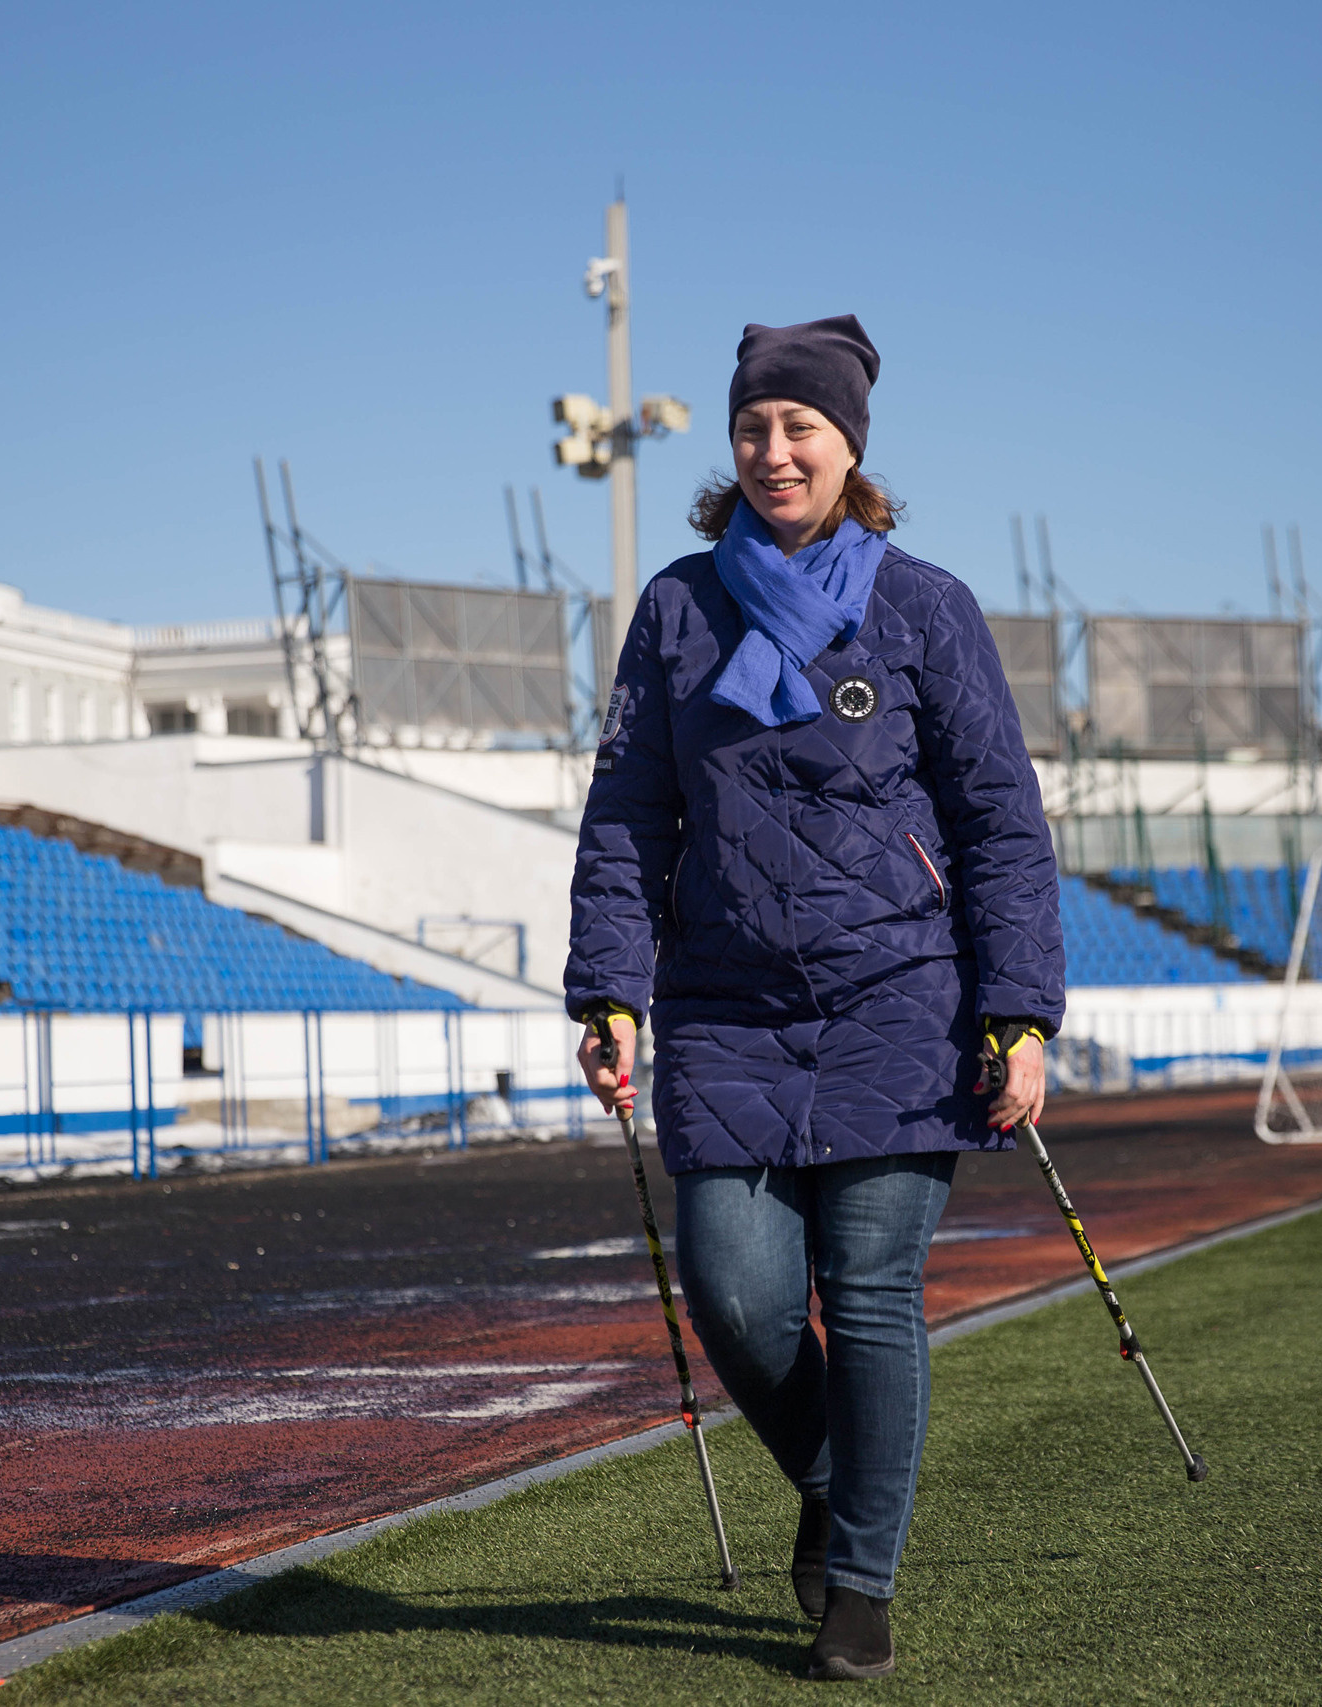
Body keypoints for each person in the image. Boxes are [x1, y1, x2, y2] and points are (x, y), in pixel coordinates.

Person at [565, 314, 1063, 1682]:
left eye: (802, 428)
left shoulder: (926, 606)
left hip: (902, 998)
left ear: (852, 446)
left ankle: (861, 1577)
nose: (775, 450)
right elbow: (627, 816)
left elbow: (999, 823)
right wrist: (610, 986)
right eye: (754, 428)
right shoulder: (676, 608)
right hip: (725, 1008)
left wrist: (1015, 1011)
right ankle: (840, 1480)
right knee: (737, 1291)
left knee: (871, 1288)